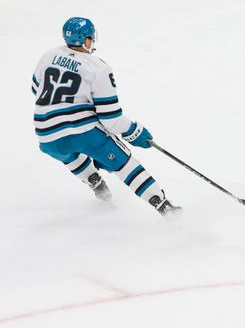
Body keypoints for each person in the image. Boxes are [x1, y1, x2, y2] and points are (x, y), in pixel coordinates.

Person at [32, 17, 179, 216]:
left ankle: (95, 182)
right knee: (123, 163)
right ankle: (165, 208)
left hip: (45, 135)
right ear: (86, 40)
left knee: (68, 153)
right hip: (84, 133)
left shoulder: (48, 55)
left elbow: (36, 89)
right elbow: (111, 119)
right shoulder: (97, 68)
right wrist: (135, 133)